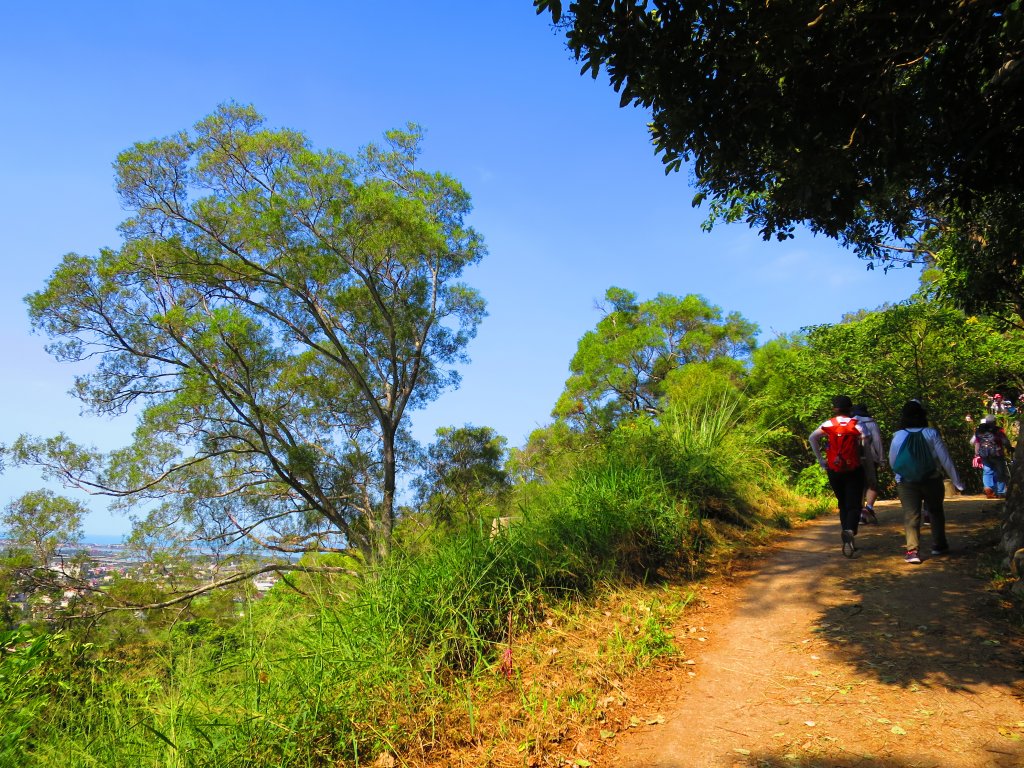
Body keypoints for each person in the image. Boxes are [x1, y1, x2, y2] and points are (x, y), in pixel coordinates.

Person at [889, 400, 964, 564]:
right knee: (935, 511)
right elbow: (945, 459)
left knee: (911, 515)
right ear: (923, 415)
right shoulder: (931, 433)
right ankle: (939, 544)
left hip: (907, 482)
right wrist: (957, 482)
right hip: (932, 480)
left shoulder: (898, 436)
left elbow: (893, 461)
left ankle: (912, 550)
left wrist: (899, 476)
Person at [809, 395, 866, 557]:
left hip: (834, 469)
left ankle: (846, 536)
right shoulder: (857, 424)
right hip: (854, 468)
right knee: (854, 504)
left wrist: (821, 460)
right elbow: (866, 439)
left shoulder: (828, 424)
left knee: (843, 504)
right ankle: (850, 531)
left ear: (835, 409)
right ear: (850, 409)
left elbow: (812, 437)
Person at [852, 404, 884, 524]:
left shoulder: (851, 422)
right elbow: (877, 442)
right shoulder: (871, 423)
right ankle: (868, 508)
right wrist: (882, 459)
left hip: (854, 458)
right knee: (872, 484)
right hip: (871, 458)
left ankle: (859, 514)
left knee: (859, 485)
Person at [970, 414, 1013, 498]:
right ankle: (1000, 492)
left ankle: (988, 489)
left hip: (984, 454)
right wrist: (1009, 448)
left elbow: (977, 442)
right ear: (994, 421)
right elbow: (1004, 441)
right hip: (997, 453)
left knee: (987, 471)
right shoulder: (998, 430)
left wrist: (976, 453)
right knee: (1000, 472)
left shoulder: (979, 430)